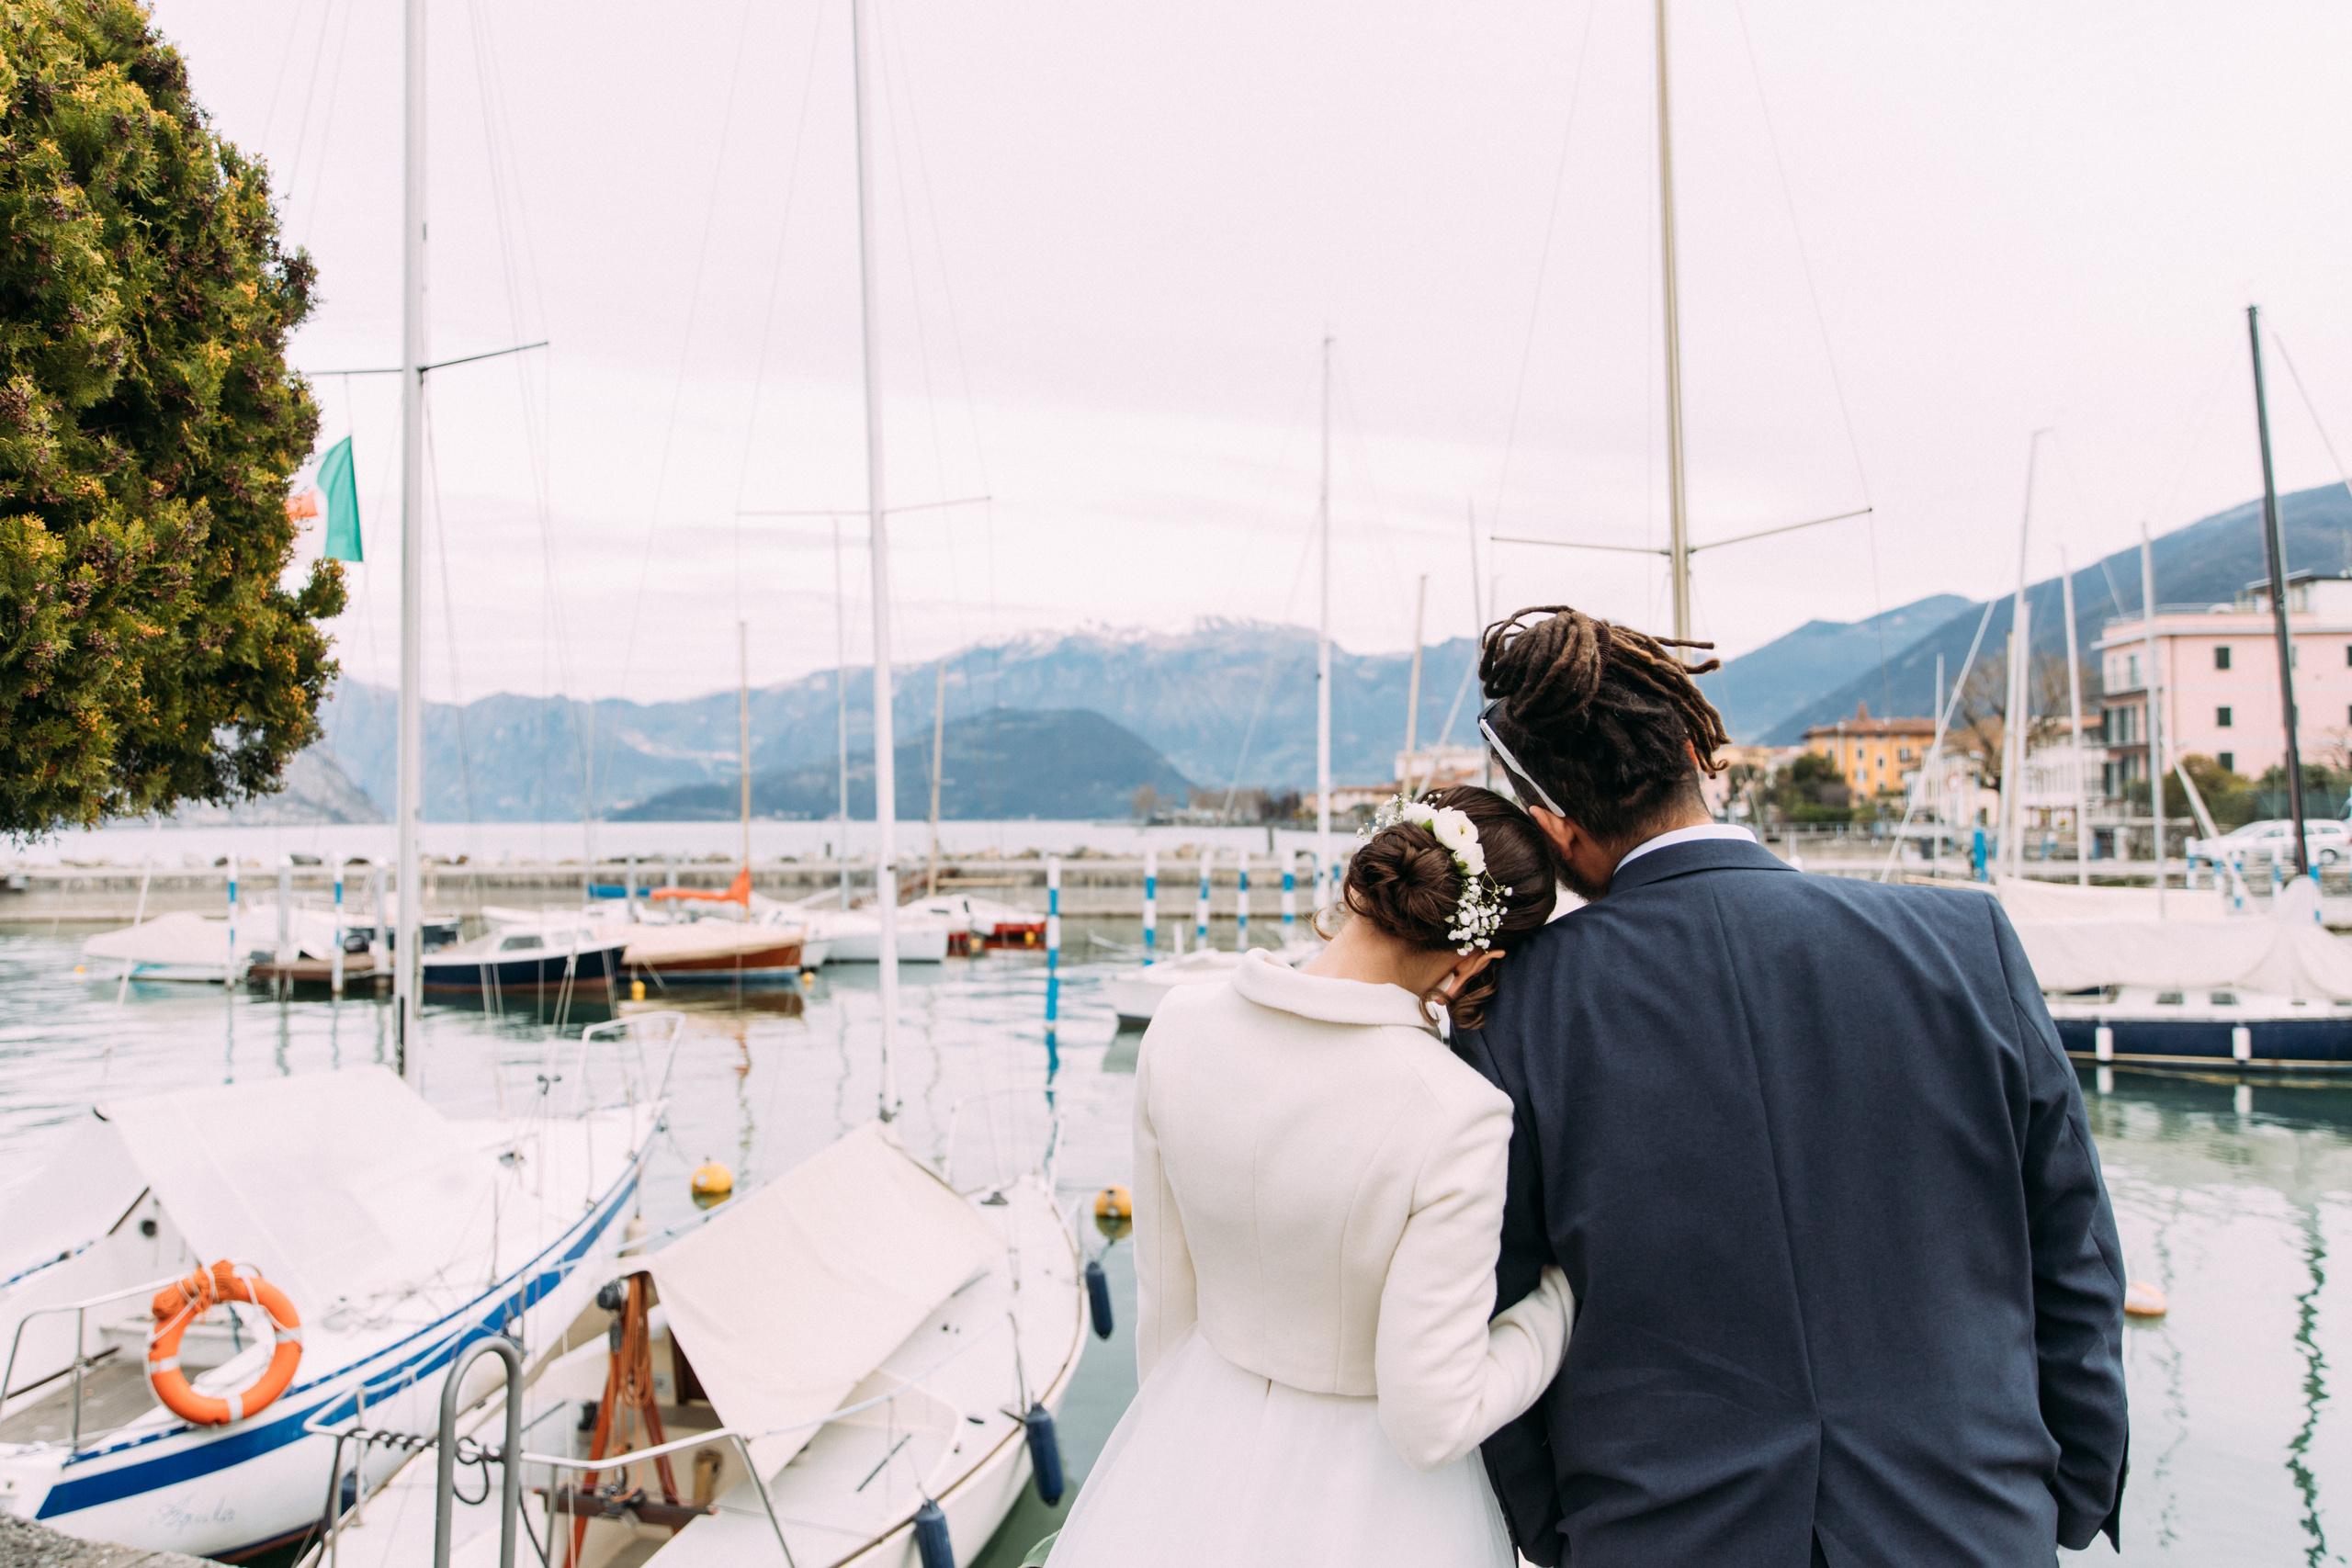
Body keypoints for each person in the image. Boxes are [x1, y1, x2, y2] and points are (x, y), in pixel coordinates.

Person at [1459, 605, 2130, 1567]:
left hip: (1656, 1533)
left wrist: (1558, 1534)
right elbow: (2073, 1249)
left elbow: (1496, 1299)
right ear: (1700, 750)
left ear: (1553, 829)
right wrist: (2069, 1490)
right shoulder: (1964, 946)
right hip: (1968, 1519)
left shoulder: (1515, 1008)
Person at [1046, 787, 1575, 1567]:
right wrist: (1555, 1308)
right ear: (1474, 961)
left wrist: (1173, 1459)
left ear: (1363, 884)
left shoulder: (1178, 1027)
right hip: (1372, 1503)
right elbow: (1431, 1419)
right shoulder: (1457, 1114)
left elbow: (1165, 1310)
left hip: (1190, 1438)